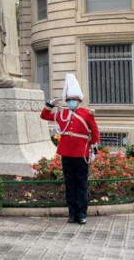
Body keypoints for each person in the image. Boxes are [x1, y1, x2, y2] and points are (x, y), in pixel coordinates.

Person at [41, 74, 101, 225]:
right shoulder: (62, 113)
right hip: (66, 153)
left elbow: (95, 133)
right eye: (68, 100)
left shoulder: (87, 114)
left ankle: (81, 213)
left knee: (81, 184)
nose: (71, 102)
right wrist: (50, 104)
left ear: (79, 101)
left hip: (81, 153)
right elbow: (44, 115)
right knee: (69, 184)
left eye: (73, 100)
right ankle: (72, 213)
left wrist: (92, 148)